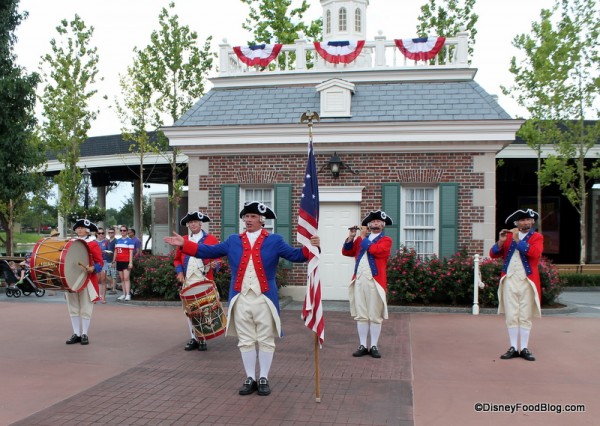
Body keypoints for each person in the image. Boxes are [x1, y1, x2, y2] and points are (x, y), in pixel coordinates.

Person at [164, 201, 321, 396]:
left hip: (265, 298)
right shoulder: (233, 240)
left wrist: (312, 247)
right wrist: (185, 244)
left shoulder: (275, 240)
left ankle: (263, 377)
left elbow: (297, 256)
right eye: (246, 216)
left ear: (262, 220)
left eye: (253, 216)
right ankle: (250, 377)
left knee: (266, 339)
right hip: (240, 297)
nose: (248, 220)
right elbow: (209, 252)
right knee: (245, 340)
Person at [490, 208, 543, 362]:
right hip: (510, 279)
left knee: (525, 315)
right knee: (512, 314)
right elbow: (493, 254)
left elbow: (534, 253)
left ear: (532, 221)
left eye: (528, 220)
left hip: (527, 280)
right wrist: (500, 240)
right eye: (522, 220)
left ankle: (524, 347)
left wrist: (517, 240)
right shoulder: (508, 237)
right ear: (517, 222)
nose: (525, 222)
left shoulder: (537, 237)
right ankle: (513, 347)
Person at [342, 210, 393, 359]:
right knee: (362, 315)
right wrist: (351, 237)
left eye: (378, 222)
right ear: (369, 224)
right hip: (359, 280)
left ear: (382, 225)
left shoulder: (386, 240)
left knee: (375, 315)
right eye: (373, 222)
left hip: (375, 282)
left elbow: (375, 250)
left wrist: (363, 237)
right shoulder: (361, 239)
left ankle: (374, 345)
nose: (375, 223)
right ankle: (363, 345)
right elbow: (347, 252)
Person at [174, 211, 220, 352]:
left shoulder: (211, 239)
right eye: (190, 222)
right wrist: (180, 272)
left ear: (200, 223)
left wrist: (215, 264)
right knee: (190, 311)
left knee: (204, 310)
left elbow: (218, 258)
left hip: (204, 279)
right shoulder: (183, 239)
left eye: (195, 222)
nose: (192, 224)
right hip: (188, 280)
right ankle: (193, 338)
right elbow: (177, 259)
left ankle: (203, 339)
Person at [65, 219, 104, 345]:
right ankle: (76, 333)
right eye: (78, 228)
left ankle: (84, 334)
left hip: (86, 280)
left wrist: (93, 268)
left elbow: (100, 263)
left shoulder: (92, 244)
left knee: (86, 307)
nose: (80, 230)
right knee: (73, 307)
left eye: (82, 228)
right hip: (72, 279)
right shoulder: (71, 243)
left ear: (87, 230)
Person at [112, 226, 134, 301]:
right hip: (119, 261)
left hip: (126, 261)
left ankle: (128, 294)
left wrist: (130, 262)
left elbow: (131, 252)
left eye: (124, 230)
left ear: (127, 231)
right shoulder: (117, 241)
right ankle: (124, 294)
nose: (122, 232)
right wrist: (114, 261)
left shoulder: (130, 241)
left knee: (126, 278)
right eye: (121, 230)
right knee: (122, 278)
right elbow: (115, 251)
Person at [96, 227, 112, 303]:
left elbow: (110, 252)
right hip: (96, 262)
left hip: (104, 261)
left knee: (103, 280)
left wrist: (107, 252)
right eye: (99, 233)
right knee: (96, 280)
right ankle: (95, 297)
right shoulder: (93, 242)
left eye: (102, 233)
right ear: (96, 234)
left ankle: (103, 297)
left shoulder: (106, 242)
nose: (101, 234)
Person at [105, 227, 118, 294]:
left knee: (114, 275)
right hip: (107, 260)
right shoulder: (108, 241)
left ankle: (114, 289)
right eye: (109, 232)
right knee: (107, 274)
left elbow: (117, 252)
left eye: (112, 232)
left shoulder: (116, 241)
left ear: (114, 233)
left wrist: (114, 261)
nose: (110, 233)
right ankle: (112, 285)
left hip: (113, 260)